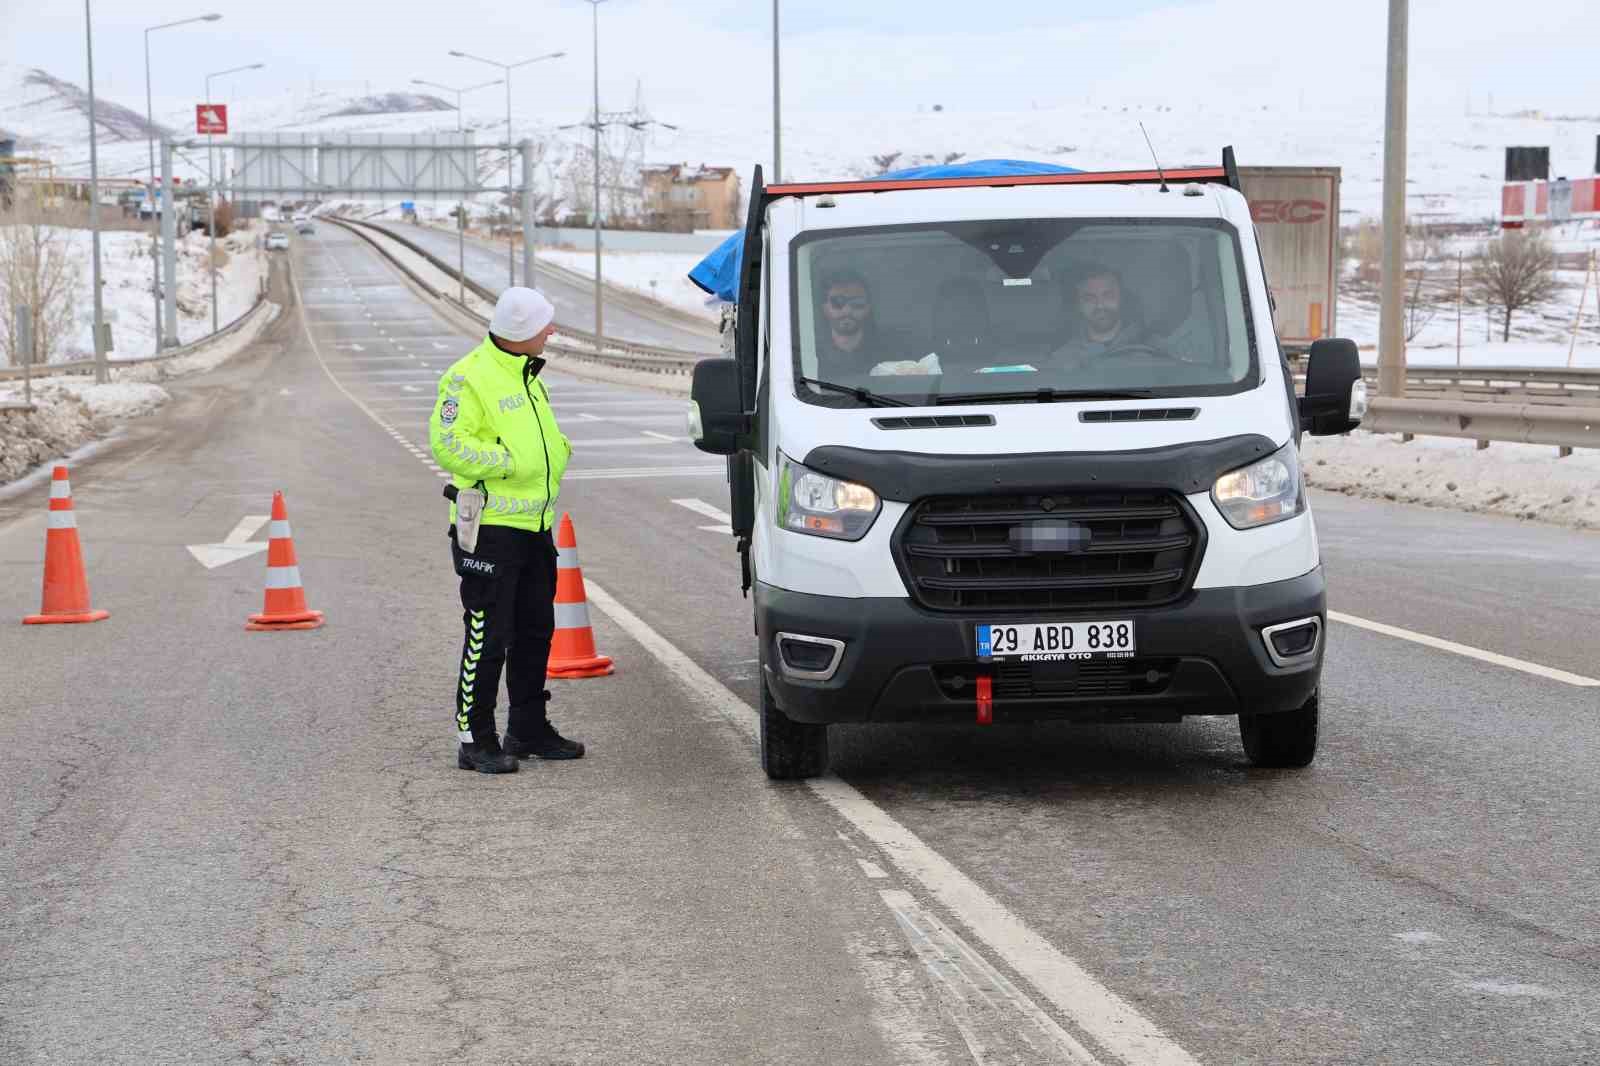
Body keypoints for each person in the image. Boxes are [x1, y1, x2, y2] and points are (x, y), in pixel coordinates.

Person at [429, 287, 586, 775]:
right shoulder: (469, 377)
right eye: (546, 324)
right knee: (488, 633)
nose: (552, 331)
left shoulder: (526, 373)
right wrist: (511, 462)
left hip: (533, 526)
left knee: (536, 630)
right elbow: (448, 444)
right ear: (522, 331)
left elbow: (538, 436)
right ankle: (475, 739)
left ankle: (528, 728)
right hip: (492, 528)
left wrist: (556, 449)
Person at [812, 270, 916, 379]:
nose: (847, 310)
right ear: (824, 307)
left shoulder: (895, 350)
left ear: (868, 307)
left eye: (857, 302)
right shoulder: (809, 353)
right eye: (838, 302)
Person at [1053, 265, 1146, 366]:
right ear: (1078, 305)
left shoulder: (1150, 349)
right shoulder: (1064, 358)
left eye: (1108, 296)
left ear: (1121, 299)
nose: (1100, 305)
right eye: (1089, 298)